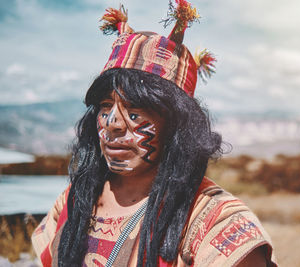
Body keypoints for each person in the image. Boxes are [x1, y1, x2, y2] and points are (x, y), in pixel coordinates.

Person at [32, 1, 277, 266]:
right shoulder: (74, 200)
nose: (113, 123)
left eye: (135, 111)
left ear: (176, 125)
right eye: (105, 106)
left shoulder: (215, 221)